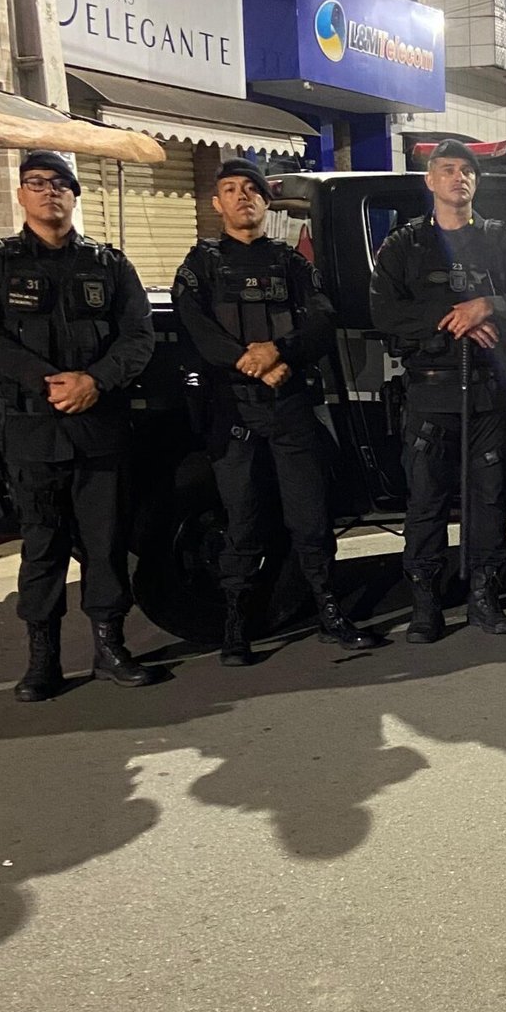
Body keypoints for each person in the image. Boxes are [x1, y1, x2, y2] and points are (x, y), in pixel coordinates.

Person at [0, 150, 159, 702]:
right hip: (32, 430)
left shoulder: (110, 265)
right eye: (37, 183)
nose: (49, 192)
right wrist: (47, 380)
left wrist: (95, 381)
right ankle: (42, 660)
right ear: (21, 194)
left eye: (60, 184)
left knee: (105, 543)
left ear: (74, 195)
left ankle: (110, 649)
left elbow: (138, 335)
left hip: (99, 426)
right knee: (42, 546)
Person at [173, 159, 379, 665]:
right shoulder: (199, 265)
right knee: (242, 521)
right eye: (230, 189)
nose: (242, 196)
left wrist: (279, 351)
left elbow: (322, 319)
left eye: (252, 189)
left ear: (266, 203)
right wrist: (251, 363)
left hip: (289, 405)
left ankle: (329, 611)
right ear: (217, 203)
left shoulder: (292, 263)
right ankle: (236, 627)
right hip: (234, 411)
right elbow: (197, 330)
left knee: (311, 517)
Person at [368, 137, 506, 643]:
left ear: (476, 182)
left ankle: (484, 595)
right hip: (430, 392)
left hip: (488, 392)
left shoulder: (500, 240)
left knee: (489, 499)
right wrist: (456, 318)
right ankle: (426, 604)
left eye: (466, 170)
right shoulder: (405, 244)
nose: (458, 177)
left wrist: (489, 306)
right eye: (447, 169)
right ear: (430, 180)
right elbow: (384, 312)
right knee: (426, 503)